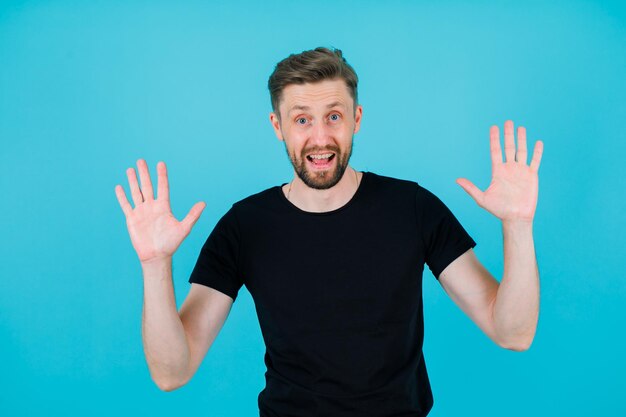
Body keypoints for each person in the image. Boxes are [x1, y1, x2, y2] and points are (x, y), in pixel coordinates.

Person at [115, 47, 544, 417]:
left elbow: (513, 332)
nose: (320, 138)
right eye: (301, 120)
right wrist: (155, 266)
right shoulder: (243, 227)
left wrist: (518, 226)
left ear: (356, 118)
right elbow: (173, 372)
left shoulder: (413, 208)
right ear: (277, 126)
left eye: (333, 116)